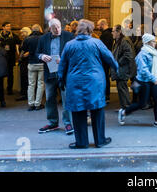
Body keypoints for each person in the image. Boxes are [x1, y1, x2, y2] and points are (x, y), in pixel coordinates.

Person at [58, 19, 119, 149]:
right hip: (95, 81)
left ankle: (82, 142)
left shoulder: (69, 45)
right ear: (90, 30)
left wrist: (60, 79)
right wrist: (116, 69)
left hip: (75, 82)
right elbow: (110, 58)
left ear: (77, 30)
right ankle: (100, 140)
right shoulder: (97, 43)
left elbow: (62, 64)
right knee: (97, 110)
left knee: (78, 111)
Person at [118, 33, 157, 128]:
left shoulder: (153, 52)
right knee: (142, 103)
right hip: (144, 81)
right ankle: (124, 112)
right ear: (148, 43)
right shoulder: (142, 54)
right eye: (153, 41)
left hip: (153, 81)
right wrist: (154, 78)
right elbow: (143, 70)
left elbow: (156, 67)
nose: (155, 43)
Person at [36, 18, 75, 135]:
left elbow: (75, 53)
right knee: (49, 99)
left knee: (66, 99)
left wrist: (64, 59)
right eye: (54, 28)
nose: (57, 30)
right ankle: (53, 122)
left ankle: (68, 123)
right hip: (50, 73)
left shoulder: (69, 36)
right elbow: (37, 52)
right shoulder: (43, 38)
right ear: (49, 29)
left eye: (58, 27)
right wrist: (42, 56)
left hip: (64, 74)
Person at [111, 24, 136, 110]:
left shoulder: (124, 41)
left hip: (123, 69)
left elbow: (128, 55)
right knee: (121, 88)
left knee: (122, 88)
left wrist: (118, 62)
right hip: (120, 69)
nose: (112, 33)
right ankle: (123, 107)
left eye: (113, 31)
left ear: (119, 32)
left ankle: (126, 107)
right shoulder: (119, 40)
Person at [21, 24, 45, 111]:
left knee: (31, 84)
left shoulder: (27, 39)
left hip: (31, 63)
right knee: (40, 84)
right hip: (41, 63)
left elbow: (23, 50)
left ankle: (31, 104)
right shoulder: (44, 38)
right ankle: (38, 104)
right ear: (40, 29)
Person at [0, 22, 21, 95]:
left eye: (10, 26)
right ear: (3, 27)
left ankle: (9, 89)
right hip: (1, 59)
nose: (9, 27)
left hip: (10, 58)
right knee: (0, 74)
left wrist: (18, 55)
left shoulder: (14, 36)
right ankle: (0, 89)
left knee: (10, 74)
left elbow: (18, 46)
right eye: (7, 26)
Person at [98, 19, 114, 103]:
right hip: (106, 59)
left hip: (104, 60)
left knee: (104, 77)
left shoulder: (106, 35)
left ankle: (106, 95)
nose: (98, 27)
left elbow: (104, 48)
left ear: (103, 24)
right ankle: (106, 95)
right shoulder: (108, 34)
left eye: (98, 25)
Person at [17, 26, 32, 101]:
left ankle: (25, 94)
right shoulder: (24, 40)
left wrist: (25, 54)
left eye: (22, 32)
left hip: (26, 61)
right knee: (24, 77)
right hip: (23, 61)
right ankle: (24, 93)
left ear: (26, 32)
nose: (21, 34)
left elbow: (31, 49)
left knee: (25, 78)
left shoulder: (28, 40)